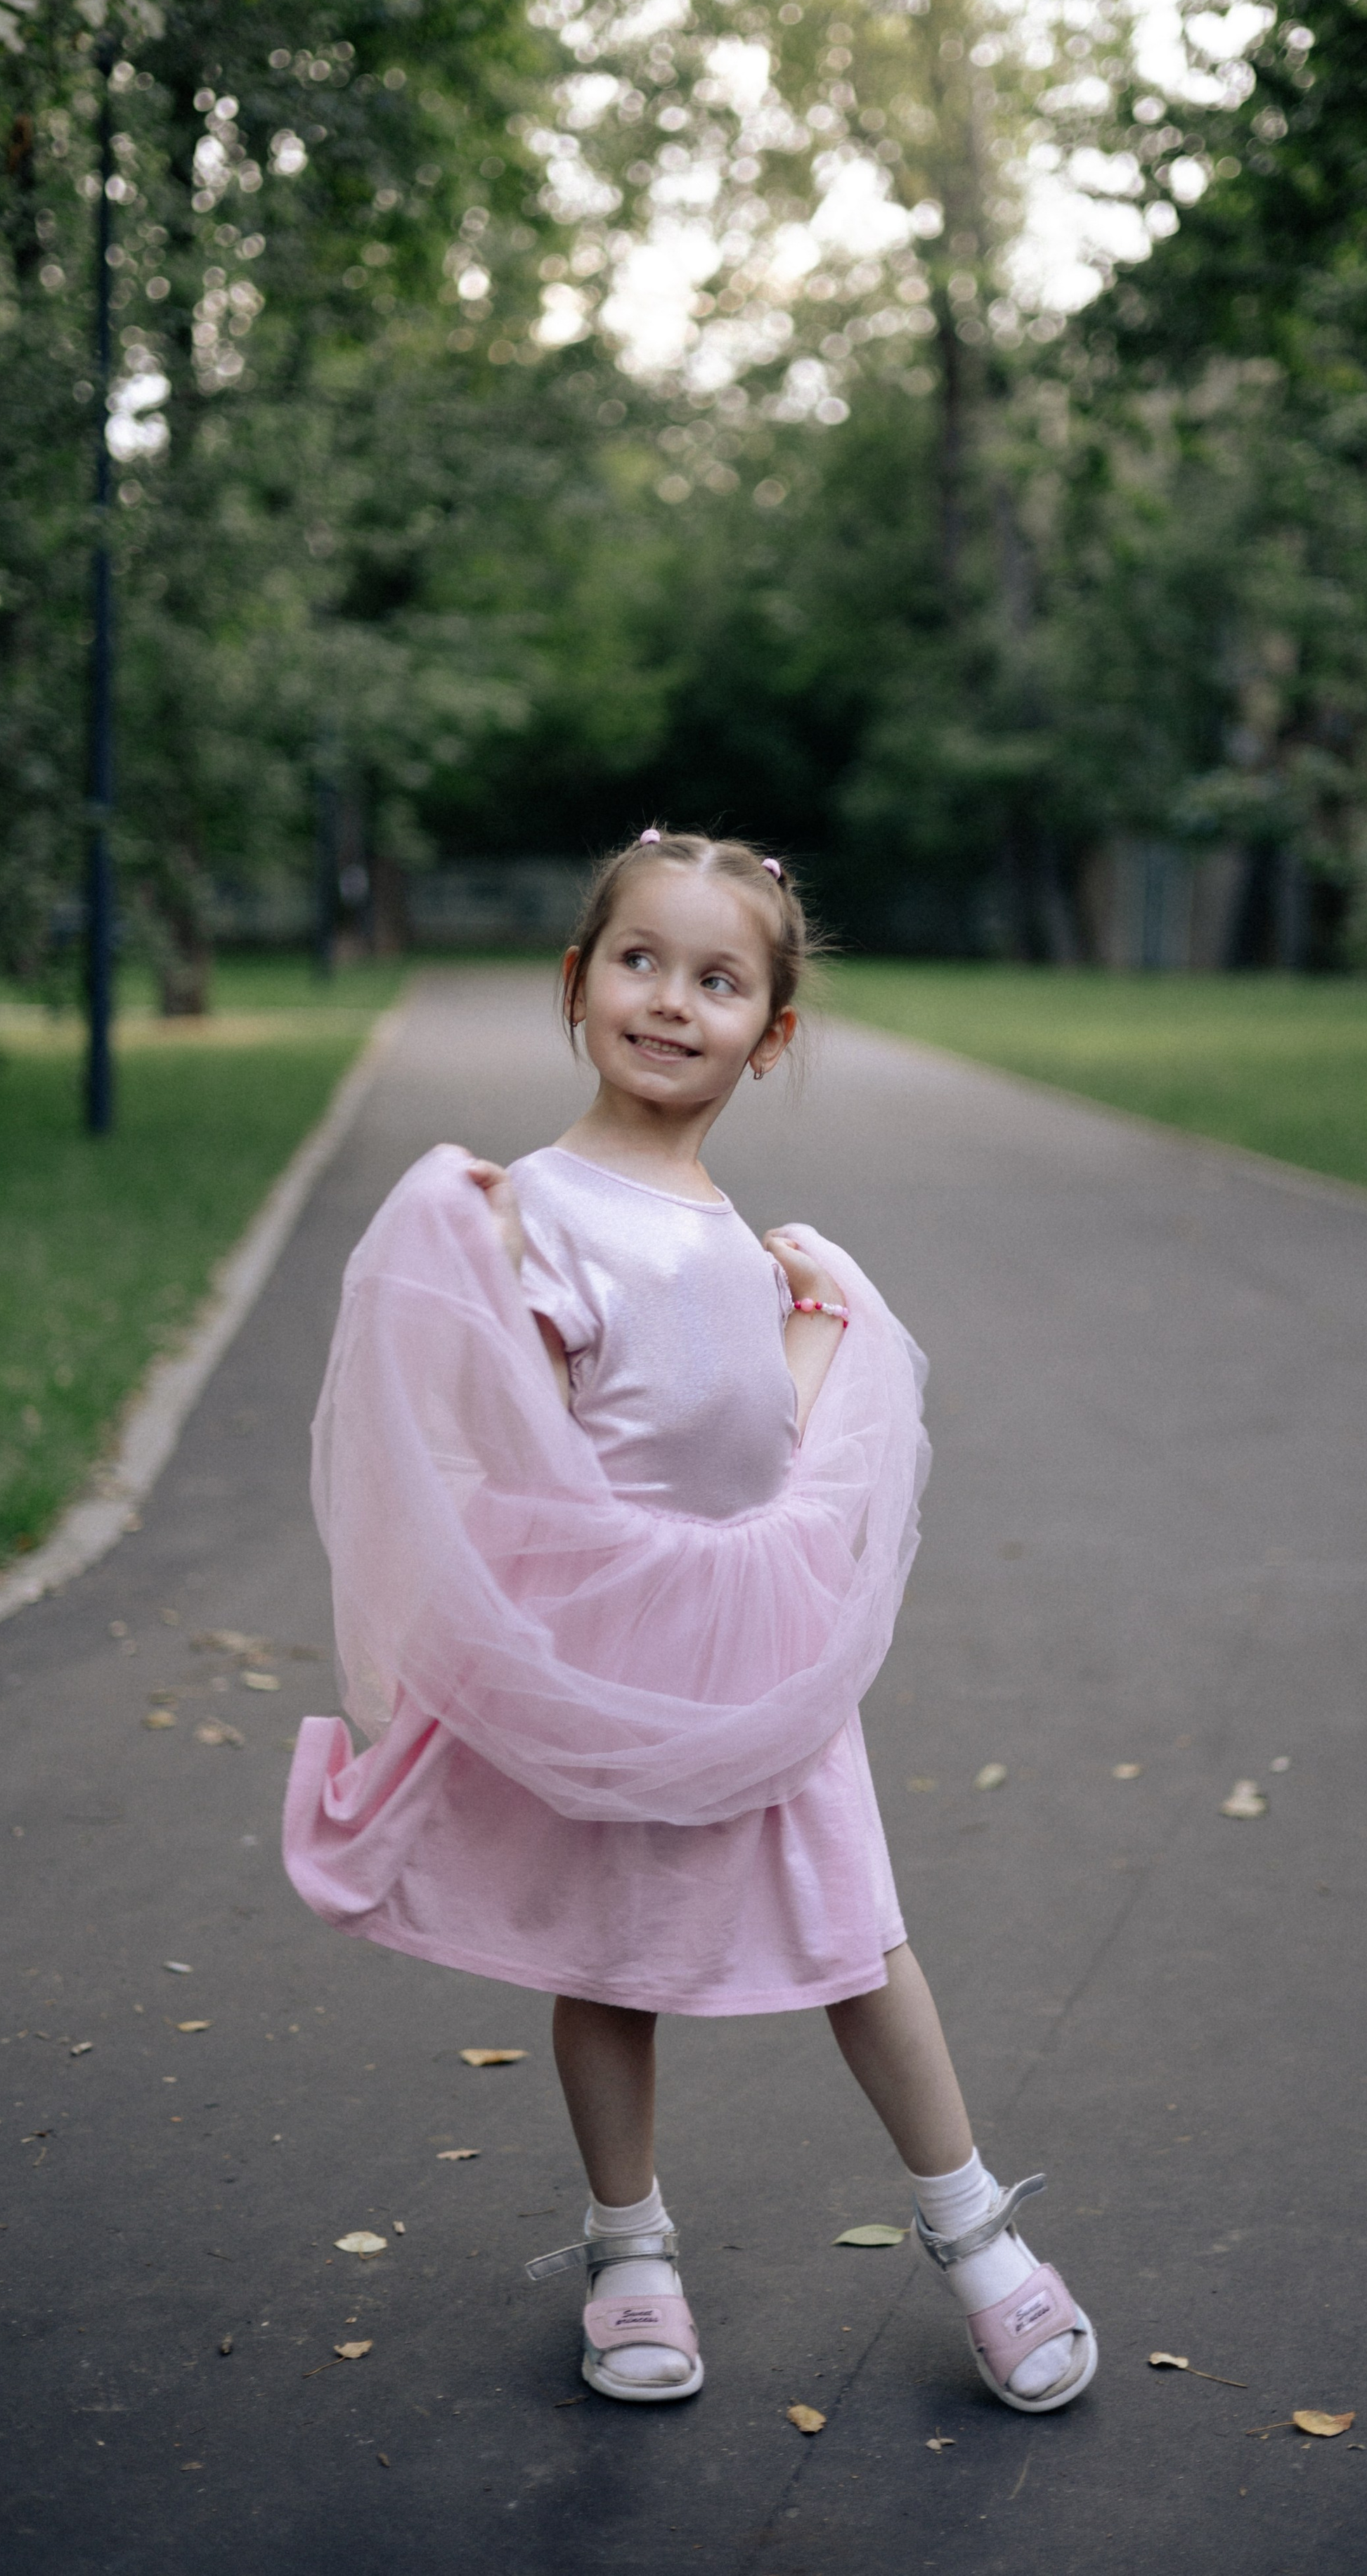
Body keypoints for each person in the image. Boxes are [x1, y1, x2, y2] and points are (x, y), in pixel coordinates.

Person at [283, 827, 1095, 2415]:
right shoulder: (533, 1212)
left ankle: (975, 2231)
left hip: (761, 1649)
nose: (670, 1000)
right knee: (613, 1962)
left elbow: (754, 1446)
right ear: (575, 984)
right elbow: (518, 1445)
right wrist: (480, 1272)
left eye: (716, 981)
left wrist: (816, 1325)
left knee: (856, 1939)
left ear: (768, 1036)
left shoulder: (738, 1236)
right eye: (639, 962)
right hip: (614, 1653)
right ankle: (629, 2246)